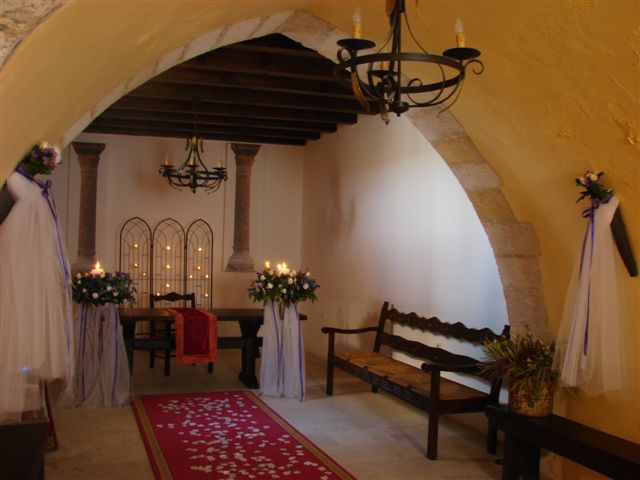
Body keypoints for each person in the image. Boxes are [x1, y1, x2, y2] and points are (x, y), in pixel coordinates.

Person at [0, 143, 73, 423]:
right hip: (18, 256)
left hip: (26, 255)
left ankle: (27, 400)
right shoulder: (23, 186)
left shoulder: (31, 188)